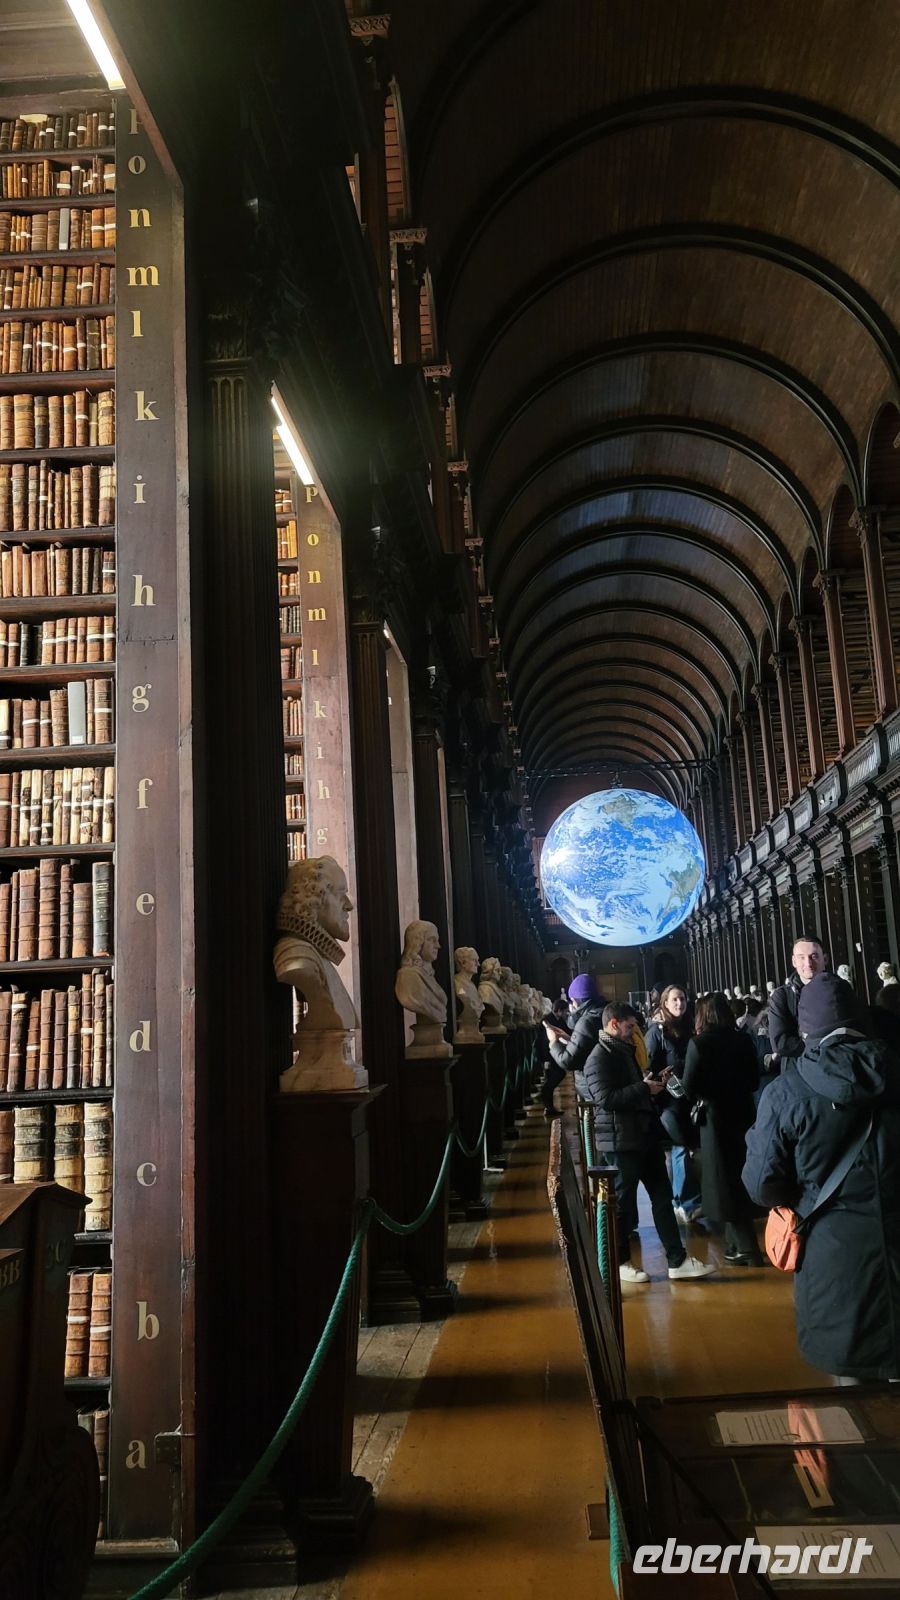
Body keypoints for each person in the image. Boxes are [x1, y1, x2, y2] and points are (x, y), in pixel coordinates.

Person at [743, 972, 900, 1381]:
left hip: (833, 1254)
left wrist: (800, 1196)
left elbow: (760, 1183)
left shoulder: (786, 1092)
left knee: (855, 1407)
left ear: (804, 1026)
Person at [581, 1002, 713, 1283]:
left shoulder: (622, 1050)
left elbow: (627, 1089)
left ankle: (677, 1261)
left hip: (643, 1136)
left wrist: (651, 1082)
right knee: (622, 1207)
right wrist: (643, 1088)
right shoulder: (598, 1057)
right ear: (614, 1024)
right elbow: (605, 1099)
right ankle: (620, 1262)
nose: (633, 1032)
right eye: (629, 1027)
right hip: (620, 1143)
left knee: (663, 1199)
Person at [682, 993, 763, 1265]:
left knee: (725, 1181)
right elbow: (754, 1080)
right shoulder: (742, 1040)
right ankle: (734, 1245)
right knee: (741, 1174)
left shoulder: (699, 1044)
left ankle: (748, 1249)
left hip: (715, 1119)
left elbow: (689, 1087)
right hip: (743, 1114)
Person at [645, 984, 702, 1224]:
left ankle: (684, 1200)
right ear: (665, 1004)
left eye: (682, 999)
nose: (680, 1004)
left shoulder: (692, 1028)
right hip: (667, 1100)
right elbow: (647, 1066)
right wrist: (659, 1078)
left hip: (690, 1098)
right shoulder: (657, 1032)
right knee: (680, 1147)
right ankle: (685, 1202)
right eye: (675, 1000)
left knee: (685, 1149)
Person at [768, 935, 827, 1064]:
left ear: (825, 959)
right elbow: (780, 1043)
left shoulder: (839, 989)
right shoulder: (781, 996)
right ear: (794, 962)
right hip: (797, 1068)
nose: (808, 963)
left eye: (814, 956)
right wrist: (823, 1047)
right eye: (802, 958)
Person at [546, 972, 605, 1087]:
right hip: (603, 1077)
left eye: (572, 1001)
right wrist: (568, 1038)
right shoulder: (603, 1011)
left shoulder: (586, 1021)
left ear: (577, 1001)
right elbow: (590, 1046)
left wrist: (553, 1042)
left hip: (593, 1083)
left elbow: (568, 1061)